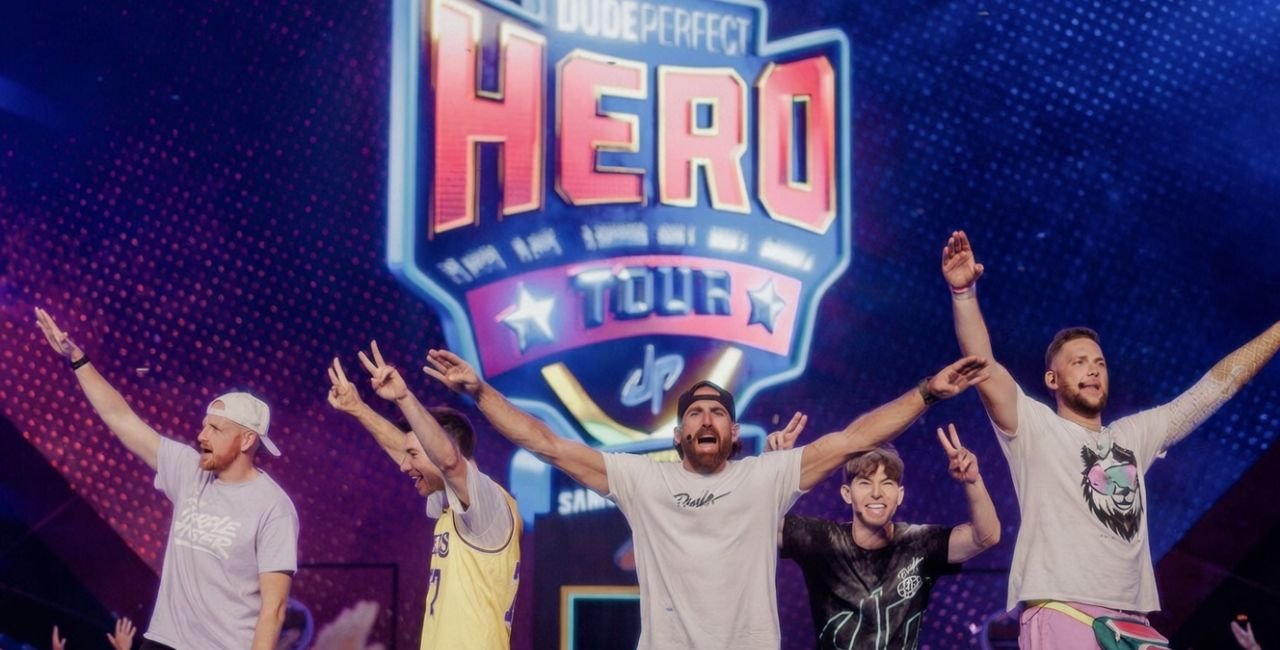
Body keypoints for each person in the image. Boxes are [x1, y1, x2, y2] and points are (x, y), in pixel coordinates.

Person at [423, 348, 990, 649]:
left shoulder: (764, 478)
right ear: (678, 435)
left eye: (718, 412)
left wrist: (926, 393)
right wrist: (480, 391)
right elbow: (546, 443)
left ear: (733, 433)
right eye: (694, 412)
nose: (706, 419)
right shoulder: (642, 480)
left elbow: (852, 439)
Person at [940, 231, 1280, 647]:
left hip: (1135, 624)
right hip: (1064, 610)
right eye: (1079, 362)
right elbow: (983, 367)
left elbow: (1214, 389)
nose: (1093, 369)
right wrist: (963, 295)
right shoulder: (1035, 427)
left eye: (1099, 363)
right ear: (1052, 379)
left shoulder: (1133, 435)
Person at [34, 308, 298, 650]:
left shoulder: (273, 507)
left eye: (215, 429)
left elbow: (274, 610)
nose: (202, 435)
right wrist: (77, 359)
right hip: (164, 641)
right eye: (204, 425)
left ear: (247, 440)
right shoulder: (188, 470)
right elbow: (120, 417)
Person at [326, 342, 520, 650]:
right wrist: (358, 408)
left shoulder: (487, 506)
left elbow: (447, 461)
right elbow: (409, 450)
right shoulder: (453, 503)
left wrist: (403, 397)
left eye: (414, 455)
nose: (404, 465)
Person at [770, 423, 1000, 649]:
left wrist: (973, 481)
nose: (876, 493)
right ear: (847, 493)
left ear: (900, 495)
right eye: (865, 483)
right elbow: (760, 524)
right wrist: (773, 468)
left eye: (886, 483)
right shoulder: (823, 541)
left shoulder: (919, 543)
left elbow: (985, 536)